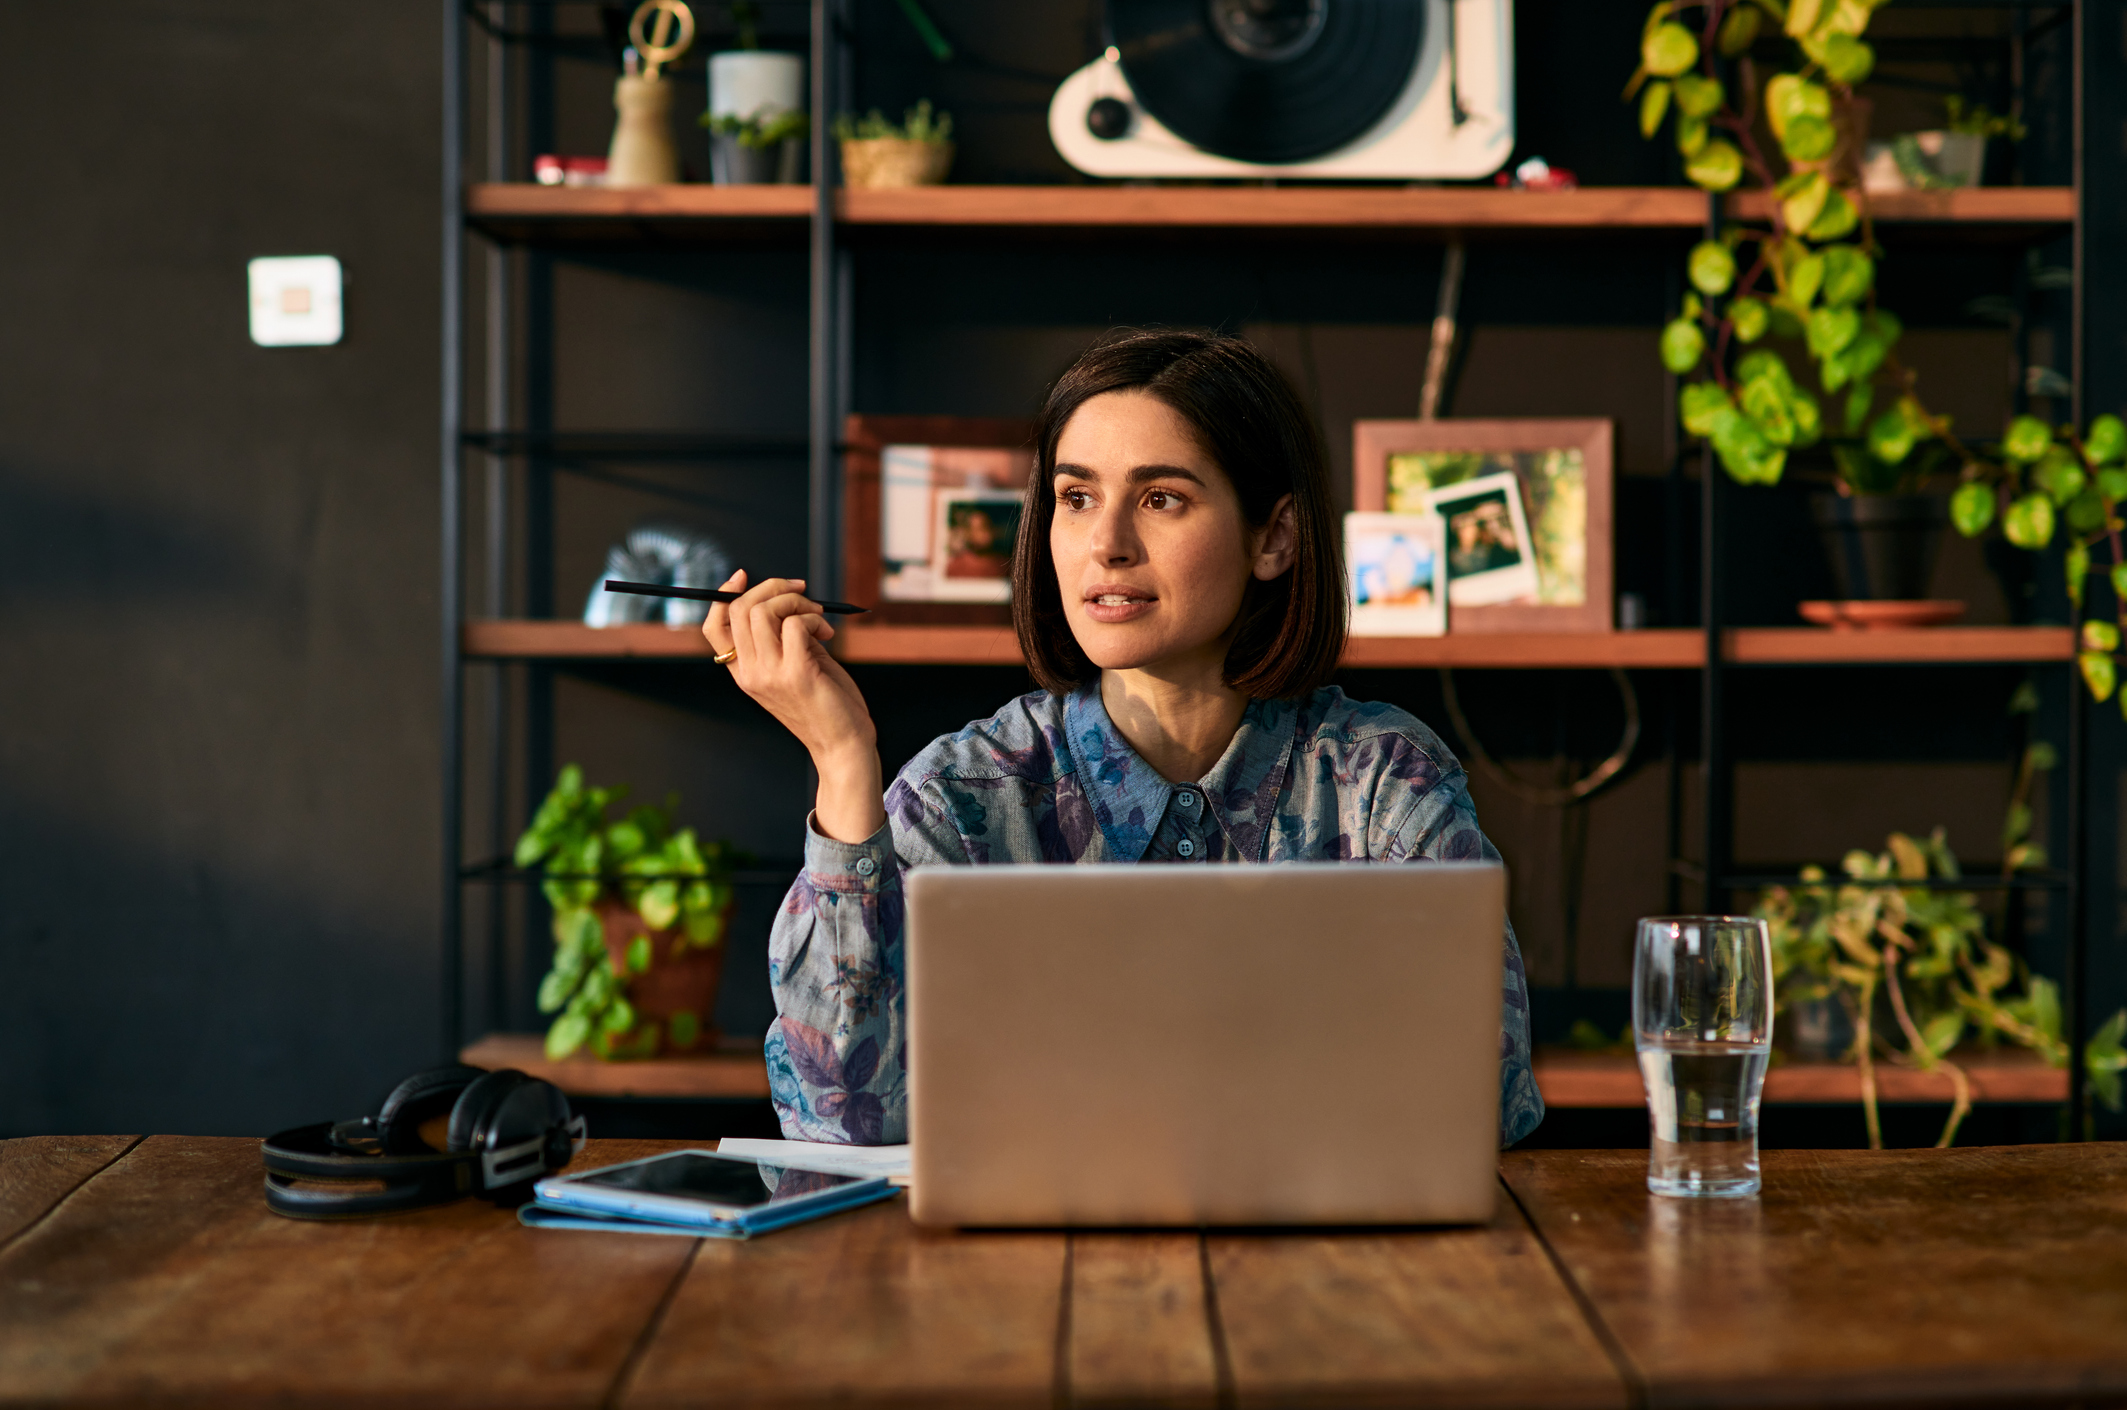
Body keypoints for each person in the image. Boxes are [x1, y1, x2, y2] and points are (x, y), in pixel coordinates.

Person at [702, 329, 1543, 1148]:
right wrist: (841, 762)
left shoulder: (1381, 779)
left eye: (1160, 498)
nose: (1105, 544)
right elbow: (840, 1116)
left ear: (1274, 538)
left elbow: (1482, 1098)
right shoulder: (963, 795)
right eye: (1076, 498)